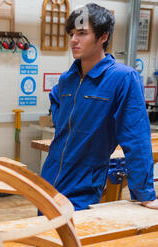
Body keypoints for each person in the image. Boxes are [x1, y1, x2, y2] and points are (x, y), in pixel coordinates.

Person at [40, 3, 158, 212]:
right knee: (45, 239)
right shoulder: (68, 79)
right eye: (72, 33)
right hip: (48, 182)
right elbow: (56, 99)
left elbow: (136, 137)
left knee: (72, 242)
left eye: (82, 33)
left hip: (83, 185)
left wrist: (144, 193)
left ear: (103, 37)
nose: (73, 40)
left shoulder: (122, 78)